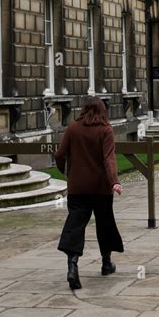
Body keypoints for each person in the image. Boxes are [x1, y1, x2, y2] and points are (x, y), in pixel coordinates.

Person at [54, 97, 124, 290]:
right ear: (103, 110)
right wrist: (115, 182)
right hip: (101, 188)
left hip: (78, 188)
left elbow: (59, 155)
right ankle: (106, 263)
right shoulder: (105, 130)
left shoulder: (72, 128)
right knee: (105, 224)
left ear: (84, 109)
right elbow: (109, 159)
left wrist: (67, 172)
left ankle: (72, 266)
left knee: (75, 225)